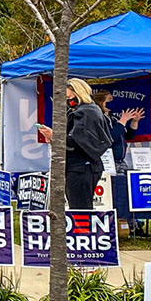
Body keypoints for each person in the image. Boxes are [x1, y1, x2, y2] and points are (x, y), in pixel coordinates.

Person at [38, 79, 112, 210]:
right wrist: (54, 139)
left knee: (80, 208)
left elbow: (79, 141)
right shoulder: (84, 111)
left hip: (82, 167)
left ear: (77, 93)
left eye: (68, 97)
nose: (67, 101)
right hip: (78, 166)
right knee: (77, 205)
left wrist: (54, 136)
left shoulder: (86, 112)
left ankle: (84, 230)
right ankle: (82, 229)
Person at [92, 90, 142, 170]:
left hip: (120, 161)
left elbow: (129, 136)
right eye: (109, 100)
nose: (113, 102)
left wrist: (134, 122)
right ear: (101, 102)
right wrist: (123, 121)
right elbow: (110, 138)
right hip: (107, 161)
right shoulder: (98, 118)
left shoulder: (114, 118)